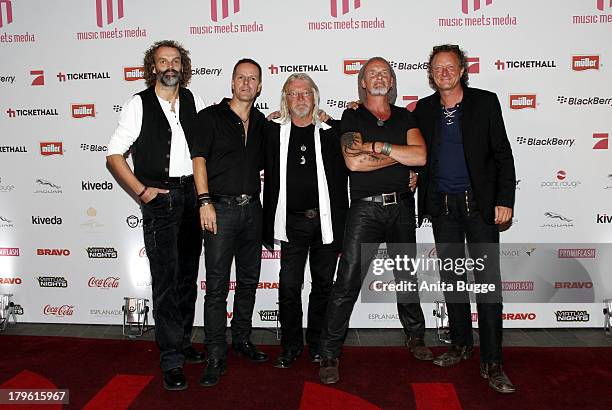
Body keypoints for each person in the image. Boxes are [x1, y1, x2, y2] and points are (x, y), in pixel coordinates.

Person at [318, 57, 430, 385]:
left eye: (385, 73)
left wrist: (378, 147)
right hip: (365, 210)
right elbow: (353, 163)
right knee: (347, 280)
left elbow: (421, 156)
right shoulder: (352, 115)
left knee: (407, 276)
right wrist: (398, 155)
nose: (379, 77)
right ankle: (329, 351)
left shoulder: (406, 116)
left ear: (392, 82)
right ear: (363, 83)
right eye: (372, 74)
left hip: (402, 209)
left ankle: (416, 337)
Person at [413, 44, 516, 393]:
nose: (443, 72)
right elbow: (398, 134)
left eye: (450, 66)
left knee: (488, 286)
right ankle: (460, 345)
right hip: (443, 209)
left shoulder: (485, 102)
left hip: (479, 207)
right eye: (437, 67)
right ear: (431, 73)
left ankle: (493, 360)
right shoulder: (423, 109)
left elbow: (503, 154)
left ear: (462, 70)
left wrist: (504, 200)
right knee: (453, 282)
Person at [106, 40, 206, 391]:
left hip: (192, 197)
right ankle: (171, 359)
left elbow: (203, 147)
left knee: (187, 276)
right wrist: (142, 191)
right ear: (153, 67)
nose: (169, 66)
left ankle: (182, 342)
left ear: (183, 66)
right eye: (163, 61)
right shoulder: (139, 103)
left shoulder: (192, 100)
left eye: (175, 60)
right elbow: (114, 155)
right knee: (165, 280)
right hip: (160, 201)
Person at [262, 73, 348, 368]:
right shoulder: (272, 131)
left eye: (305, 93)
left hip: (325, 223)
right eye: (293, 93)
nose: (300, 98)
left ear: (315, 97)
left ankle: (317, 344)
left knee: (323, 285)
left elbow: (360, 149)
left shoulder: (333, 130)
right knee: (288, 285)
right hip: (291, 223)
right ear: (285, 99)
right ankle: (289, 345)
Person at [191, 58, 268, 387]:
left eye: (253, 79)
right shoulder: (209, 117)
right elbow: (198, 160)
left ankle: (242, 340)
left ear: (260, 86)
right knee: (217, 288)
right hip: (219, 210)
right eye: (241, 78)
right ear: (232, 83)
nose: (246, 84)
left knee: (249, 281)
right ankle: (215, 353)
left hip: (253, 210)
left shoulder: (263, 122)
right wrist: (204, 201)